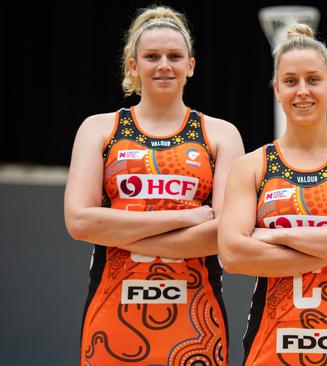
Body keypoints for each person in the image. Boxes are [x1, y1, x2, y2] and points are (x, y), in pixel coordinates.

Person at [64, 5, 244, 365]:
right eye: (152, 56)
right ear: (133, 66)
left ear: (190, 66)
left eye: (175, 56)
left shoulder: (220, 134)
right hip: (113, 319)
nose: (164, 65)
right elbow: (80, 223)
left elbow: (224, 236)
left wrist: (119, 229)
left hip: (196, 321)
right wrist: (186, 218)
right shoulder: (99, 129)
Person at [217, 24, 327, 365]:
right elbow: (234, 254)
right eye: (291, 81)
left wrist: (276, 235)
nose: (303, 91)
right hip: (269, 343)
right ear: (277, 89)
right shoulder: (252, 166)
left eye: (313, 79)